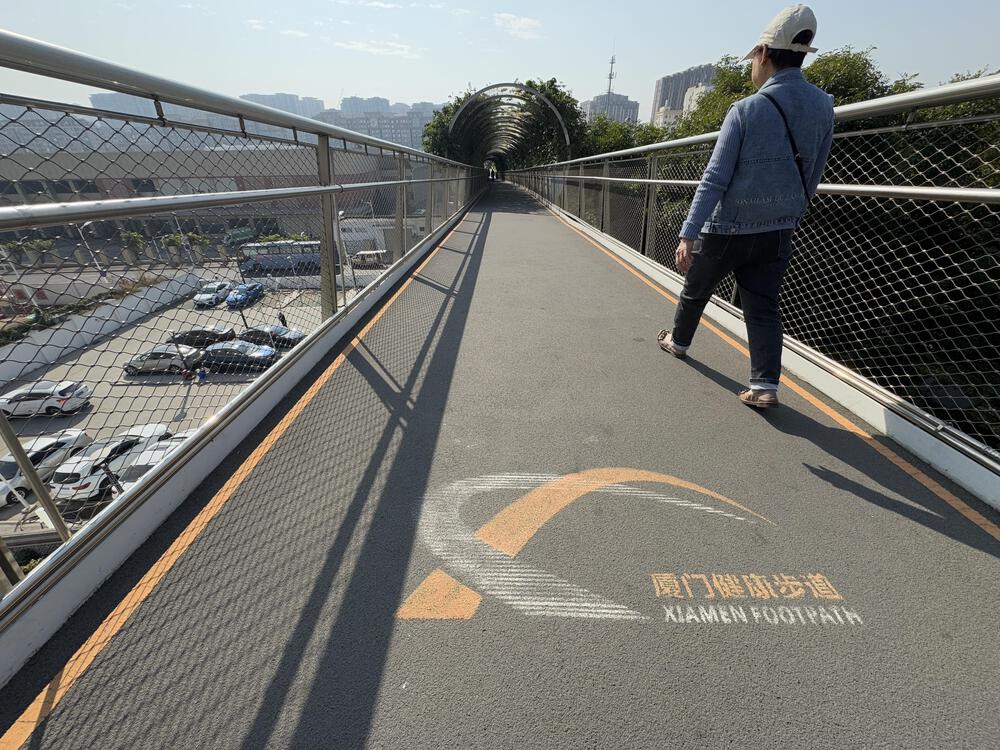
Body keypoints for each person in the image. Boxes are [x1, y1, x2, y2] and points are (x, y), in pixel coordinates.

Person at [657, 4, 834, 410]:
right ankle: (764, 385)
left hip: (727, 229)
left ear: (764, 54)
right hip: (777, 228)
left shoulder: (745, 109)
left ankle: (679, 342)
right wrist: (791, 214)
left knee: (696, 289)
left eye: (754, 57)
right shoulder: (823, 106)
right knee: (763, 305)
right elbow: (815, 172)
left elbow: (715, 178)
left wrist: (688, 234)